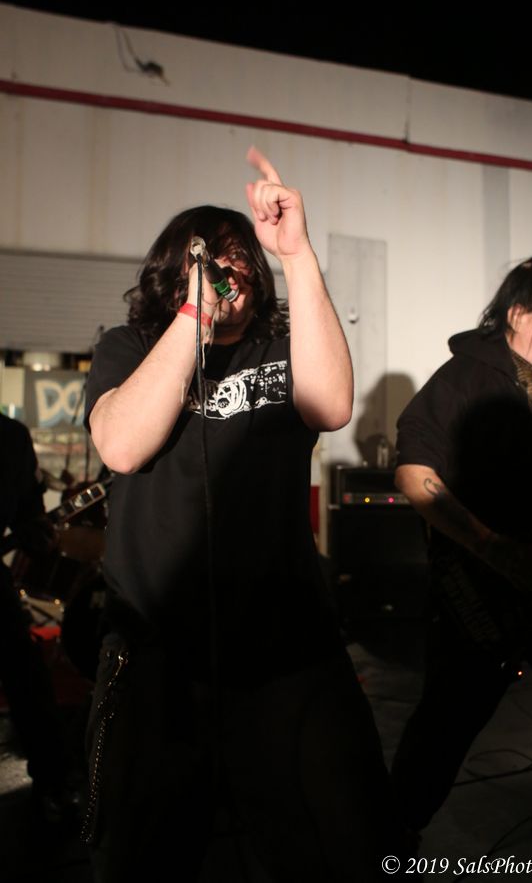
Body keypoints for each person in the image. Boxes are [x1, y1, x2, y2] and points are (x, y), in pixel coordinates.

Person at [84, 148, 403, 882]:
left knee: (342, 850)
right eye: (212, 257)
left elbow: (332, 405)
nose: (231, 268)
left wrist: (296, 252)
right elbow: (122, 446)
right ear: (175, 271)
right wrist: (195, 316)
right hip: (156, 658)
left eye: (241, 259)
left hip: (289, 652)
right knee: (143, 859)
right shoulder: (128, 348)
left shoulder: (281, 352)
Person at [392, 255, 532, 834]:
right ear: (518, 312)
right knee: (443, 733)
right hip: (484, 601)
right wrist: (494, 549)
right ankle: (390, 848)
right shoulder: (463, 379)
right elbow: (414, 475)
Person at [0, 412, 73, 820]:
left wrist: (38, 534)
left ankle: (54, 784)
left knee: (27, 677)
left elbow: (28, 514)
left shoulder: (10, 438)